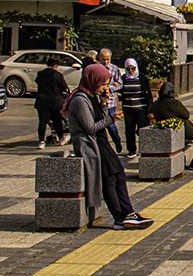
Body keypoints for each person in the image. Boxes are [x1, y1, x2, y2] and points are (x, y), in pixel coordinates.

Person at [65, 62, 152, 229]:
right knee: (110, 179)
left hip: (101, 142)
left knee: (119, 175)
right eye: (103, 84)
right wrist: (111, 118)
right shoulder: (79, 100)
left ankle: (128, 213)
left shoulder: (91, 97)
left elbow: (99, 119)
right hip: (92, 145)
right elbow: (90, 128)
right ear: (93, 80)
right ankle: (119, 218)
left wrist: (103, 103)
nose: (105, 88)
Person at [151, 81, 193, 169]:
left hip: (164, 130)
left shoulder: (154, 105)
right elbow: (186, 115)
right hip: (181, 129)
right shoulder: (175, 103)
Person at [119, 58, 152, 151]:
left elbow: (148, 93)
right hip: (128, 109)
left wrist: (150, 106)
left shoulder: (142, 78)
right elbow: (119, 90)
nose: (130, 71)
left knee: (143, 129)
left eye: (132, 68)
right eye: (128, 69)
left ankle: (145, 149)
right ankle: (131, 150)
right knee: (129, 130)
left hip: (141, 108)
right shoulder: (123, 79)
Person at [34, 59, 69, 147]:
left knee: (43, 121)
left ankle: (41, 142)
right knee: (57, 121)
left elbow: (37, 82)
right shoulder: (57, 75)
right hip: (54, 101)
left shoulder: (40, 74)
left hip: (41, 100)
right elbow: (63, 87)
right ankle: (61, 138)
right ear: (55, 65)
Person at [96, 47, 123, 153]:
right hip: (98, 101)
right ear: (99, 58)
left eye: (108, 59)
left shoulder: (114, 69)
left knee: (110, 124)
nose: (106, 61)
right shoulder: (96, 68)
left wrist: (109, 88)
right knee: (99, 125)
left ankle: (117, 141)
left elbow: (119, 84)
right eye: (103, 59)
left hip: (110, 101)